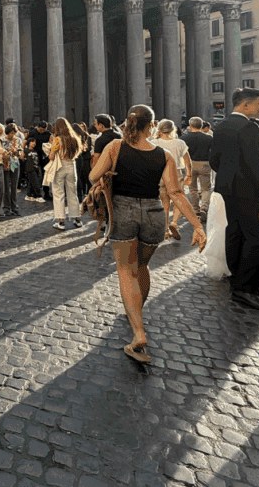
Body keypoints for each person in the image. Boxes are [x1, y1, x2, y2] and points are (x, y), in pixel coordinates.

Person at [91, 105, 205, 363]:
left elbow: (93, 175)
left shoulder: (115, 148)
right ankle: (136, 313)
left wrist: (107, 173)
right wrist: (197, 226)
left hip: (124, 211)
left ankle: (138, 332)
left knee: (126, 271)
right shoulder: (164, 155)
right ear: (151, 126)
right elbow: (176, 193)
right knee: (142, 268)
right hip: (154, 213)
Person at [209, 88, 259, 313]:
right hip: (248, 190)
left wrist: (229, 177)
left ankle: (238, 279)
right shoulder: (249, 127)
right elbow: (256, 165)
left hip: (227, 189)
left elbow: (214, 161)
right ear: (246, 106)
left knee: (236, 233)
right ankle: (245, 289)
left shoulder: (221, 125)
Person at [151, 119, 191, 240]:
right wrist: (189, 174)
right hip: (175, 173)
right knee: (179, 199)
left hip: (159, 174)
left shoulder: (154, 142)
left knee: (164, 202)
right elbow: (187, 160)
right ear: (173, 130)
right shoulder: (180, 143)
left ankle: (165, 229)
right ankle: (174, 223)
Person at [45, 117, 85, 231]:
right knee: (73, 193)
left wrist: (50, 150)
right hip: (71, 165)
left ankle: (61, 221)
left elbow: (51, 156)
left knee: (58, 193)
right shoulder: (74, 138)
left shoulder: (58, 139)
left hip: (60, 166)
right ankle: (77, 219)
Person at [182, 117, 213, 222]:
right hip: (204, 163)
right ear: (201, 126)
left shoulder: (184, 138)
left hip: (190, 164)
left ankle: (195, 209)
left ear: (190, 126)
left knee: (192, 189)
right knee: (206, 188)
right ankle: (204, 208)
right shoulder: (209, 138)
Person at [0, 123, 22, 217]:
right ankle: (6, 207)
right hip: (5, 163)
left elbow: (20, 153)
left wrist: (17, 152)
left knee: (14, 186)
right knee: (6, 187)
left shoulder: (18, 140)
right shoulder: (2, 140)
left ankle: (14, 207)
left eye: (14, 133)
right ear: (7, 132)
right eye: (11, 133)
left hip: (14, 163)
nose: (12, 135)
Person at [73, 123, 92, 201]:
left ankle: (81, 195)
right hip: (82, 157)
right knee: (82, 177)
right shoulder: (84, 135)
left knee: (80, 177)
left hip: (80, 157)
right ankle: (83, 194)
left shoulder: (79, 137)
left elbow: (87, 148)